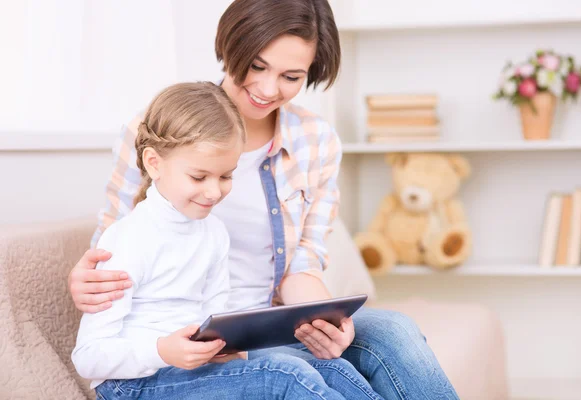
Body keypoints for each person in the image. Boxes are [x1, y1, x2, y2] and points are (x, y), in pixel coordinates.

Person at [68, 1, 459, 398]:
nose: (269, 89)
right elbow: (114, 238)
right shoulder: (157, 128)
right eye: (257, 66)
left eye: (291, 76)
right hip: (179, 340)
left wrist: (324, 321)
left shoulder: (315, 140)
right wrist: (87, 277)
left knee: (394, 332)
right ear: (231, 46)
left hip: (266, 323)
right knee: (293, 374)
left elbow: (304, 262)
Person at [72, 81, 354, 400]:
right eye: (199, 177)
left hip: (194, 372)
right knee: (286, 376)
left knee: (333, 369)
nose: (213, 192)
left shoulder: (214, 232)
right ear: (154, 163)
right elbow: (88, 357)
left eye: (225, 176)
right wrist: (161, 351)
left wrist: (225, 348)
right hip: (132, 383)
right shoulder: (126, 239)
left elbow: (216, 316)